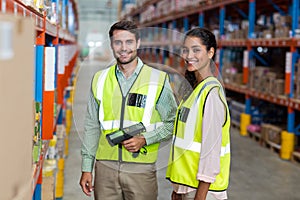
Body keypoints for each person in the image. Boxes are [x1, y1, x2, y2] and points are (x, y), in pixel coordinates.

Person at [79, 20, 177, 200]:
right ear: (111, 45)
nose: (124, 48)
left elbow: (172, 123)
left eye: (129, 42)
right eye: (118, 42)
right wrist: (87, 167)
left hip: (140, 167)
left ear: (138, 43)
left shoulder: (157, 79)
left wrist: (145, 139)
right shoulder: (99, 79)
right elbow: (91, 125)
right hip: (105, 167)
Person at [166, 27, 231, 200]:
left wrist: (200, 196)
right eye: (185, 50)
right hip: (188, 187)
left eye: (196, 50)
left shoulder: (211, 94)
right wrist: (178, 190)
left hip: (204, 192)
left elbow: (211, 152)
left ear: (210, 53)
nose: (189, 55)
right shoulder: (195, 90)